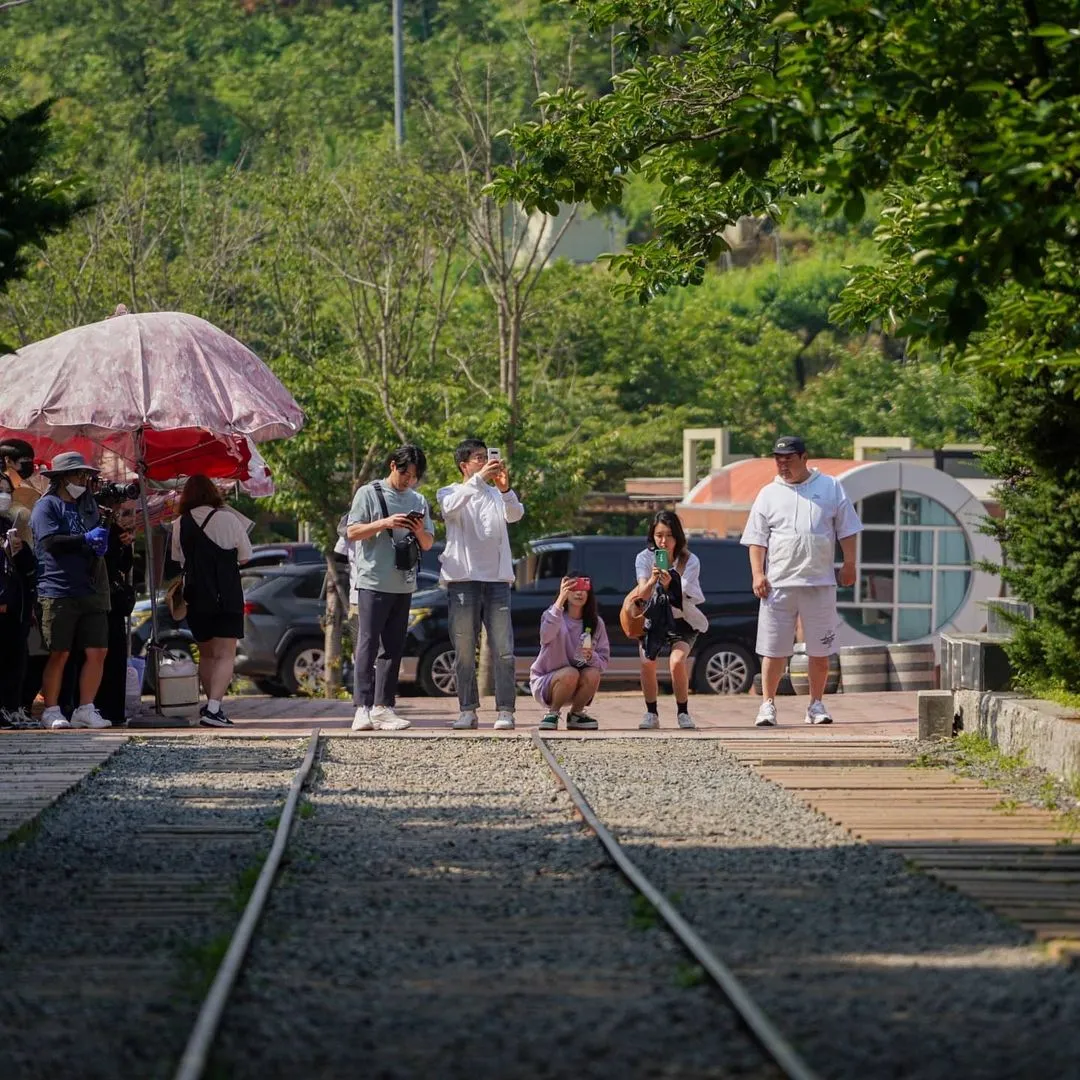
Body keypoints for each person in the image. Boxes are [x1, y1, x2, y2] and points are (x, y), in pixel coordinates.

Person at [741, 435, 862, 727]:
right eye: (778, 459)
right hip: (778, 583)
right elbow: (756, 540)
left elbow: (847, 529)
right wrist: (758, 573)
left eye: (789, 459)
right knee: (773, 649)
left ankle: (816, 704)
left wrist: (849, 563)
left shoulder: (830, 487)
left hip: (819, 582)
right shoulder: (768, 493)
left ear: (804, 458)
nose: (783, 465)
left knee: (819, 650)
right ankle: (767, 704)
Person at [438, 438, 525, 731]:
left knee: (504, 648)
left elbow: (515, 515)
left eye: (487, 456)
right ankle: (467, 710)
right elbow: (450, 508)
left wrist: (505, 488)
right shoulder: (450, 491)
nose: (486, 461)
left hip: (497, 580)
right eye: (479, 458)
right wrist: (478, 479)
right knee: (463, 649)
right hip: (463, 579)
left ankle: (505, 710)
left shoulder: (495, 493)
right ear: (464, 465)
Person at [345, 445, 434, 732]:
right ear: (392, 465)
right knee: (367, 644)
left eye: (415, 477)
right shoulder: (368, 493)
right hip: (372, 580)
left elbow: (428, 543)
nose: (409, 481)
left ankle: (384, 707)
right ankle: (362, 707)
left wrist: (417, 528)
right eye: (406, 474)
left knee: (393, 647)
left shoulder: (419, 499)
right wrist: (385, 522)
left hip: (404, 582)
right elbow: (352, 531)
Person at [29, 452, 112, 729]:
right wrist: (85, 539)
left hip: (90, 587)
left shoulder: (87, 506)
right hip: (57, 587)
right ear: (62, 477)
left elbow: (93, 536)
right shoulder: (47, 506)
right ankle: (51, 709)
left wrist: (100, 543)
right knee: (59, 651)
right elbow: (51, 542)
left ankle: (85, 707)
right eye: (78, 475)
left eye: (86, 475)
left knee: (97, 650)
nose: (83, 480)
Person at [170, 474, 253, 727]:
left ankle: (210, 705)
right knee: (226, 654)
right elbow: (245, 556)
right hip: (226, 593)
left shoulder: (179, 523)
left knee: (206, 653)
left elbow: (180, 559)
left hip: (196, 595)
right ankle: (215, 708)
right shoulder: (228, 518)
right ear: (212, 492)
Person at [631, 511, 709, 730]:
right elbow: (642, 594)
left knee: (677, 662)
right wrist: (655, 579)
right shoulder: (644, 558)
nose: (663, 541)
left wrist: (670, 582)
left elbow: (686, 593)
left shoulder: (690, 561)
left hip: (681, 618)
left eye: (668, 535)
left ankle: (683, 712)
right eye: (658, 535)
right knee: (647, 662)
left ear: (678, 537)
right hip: (654, 617)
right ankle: (651, 712)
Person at [530, 574, 610, 731]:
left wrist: (591, 657)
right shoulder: (553, 615)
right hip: (547, 681)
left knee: (593, 674)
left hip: (576, 681)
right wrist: (560, 600)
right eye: (573, 588)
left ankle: (576, 714)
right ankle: (552, 713)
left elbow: (603, 662)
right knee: (570, 673)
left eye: (583, 589)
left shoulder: (595, 623)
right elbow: (545, 636)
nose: (579, 593)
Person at [94, 504, 137, 725]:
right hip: (95, 598)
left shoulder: (116, 531)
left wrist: (126, 545)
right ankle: (95, 706)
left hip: (112, 599)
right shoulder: (90, 525)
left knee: (115, 654)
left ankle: (113, 710)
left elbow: (125, 565)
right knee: (97, 654)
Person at [0, 473, 37, 727]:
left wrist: (20, 550)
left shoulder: (10, 526)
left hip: (18, 606)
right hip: (4, 602)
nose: (4, 495)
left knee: (17, 659)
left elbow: (29, 568)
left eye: (6, 490)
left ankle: (13, 707)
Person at [0, 438, 41, 542]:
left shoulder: (32, 489)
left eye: (30, 460)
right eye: (24, 461)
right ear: (8, 460)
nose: (29, 464)